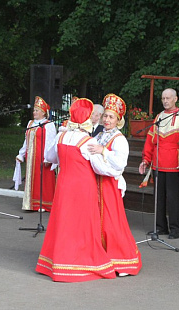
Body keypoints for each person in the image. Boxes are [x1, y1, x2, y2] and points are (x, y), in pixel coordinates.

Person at [36, 98, 116, 282]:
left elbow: (50, 157)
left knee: (63, 222)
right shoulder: (87, 141)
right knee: (83, 224)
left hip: (64, 184)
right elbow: (99, 167)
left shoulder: (61, 136)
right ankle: (81, 261)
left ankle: (58, 262)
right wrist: (115, 171)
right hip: (83, 186)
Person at [88, 93, 142, 277]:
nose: (107, 119)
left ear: (118, 120)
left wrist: (103, 150)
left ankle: (122, 259)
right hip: (96, 182)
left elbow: (120, 163)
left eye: (111, 117)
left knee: (112, 223)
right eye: (105, 116)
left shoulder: (119, 139)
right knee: (98, 222)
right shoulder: (100, 134)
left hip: (109, 184)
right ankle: (103, 257)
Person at [139, 88, 179, 239]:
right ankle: (160, 226)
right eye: (163, 98)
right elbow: (150, 141)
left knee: (174, 198)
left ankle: (175, 229)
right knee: (158, 197)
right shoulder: (159, 117)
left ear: (175, 99)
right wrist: (146, 159)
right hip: (157, 162)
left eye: (168, 98)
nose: (165, 101)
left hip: (174, 164)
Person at [14, 96, 57, 212]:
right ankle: (31, 203)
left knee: (43, 180)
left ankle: (43, 204)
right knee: (32, 179)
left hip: (41, 157)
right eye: (34, 110)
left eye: (37, 110)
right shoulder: (30, 123)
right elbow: (26, 140)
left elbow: (51, 142)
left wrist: (48, 158)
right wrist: (21, 154)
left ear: (43, 113)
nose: (34, 112)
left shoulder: (48, 125)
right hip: (31, 157)